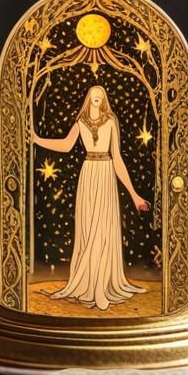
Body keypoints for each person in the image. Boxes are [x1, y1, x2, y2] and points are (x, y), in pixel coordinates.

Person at [33, 85, 149, 310]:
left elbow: (117, 159)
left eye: (100, 96)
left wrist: (134, 195)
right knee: (88, 229)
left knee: (103, 229)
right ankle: (86, 283)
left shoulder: (111, 122)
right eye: (93, 96)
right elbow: (66, 146)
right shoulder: (80, 123)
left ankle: (102, 286)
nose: (97, 99)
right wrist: (38, 140)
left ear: (104, 100)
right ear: (88, 99)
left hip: (105, 173)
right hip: (88, 175)